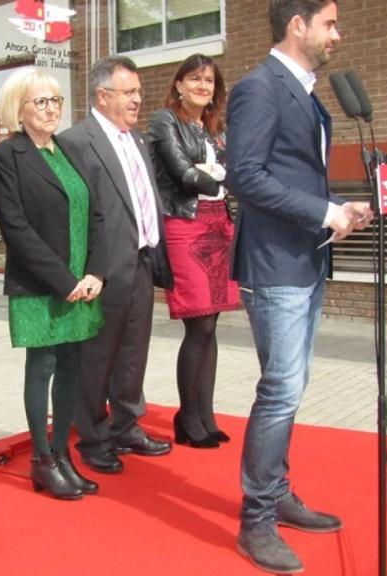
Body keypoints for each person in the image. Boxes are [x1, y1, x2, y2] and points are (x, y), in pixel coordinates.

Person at [226, 1, 373, 573]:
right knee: (281, 389)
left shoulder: (307, 93)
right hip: (274, 265)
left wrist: (337, 209)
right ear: (298, 25)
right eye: (330, 23)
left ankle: (278, 493)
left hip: (303, 258)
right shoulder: (259, 87)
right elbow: (246, 175)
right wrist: (323, 211)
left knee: (290, 386)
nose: (338, 34)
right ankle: (257, 520)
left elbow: (294, 175)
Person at [0, 68, 106, 500]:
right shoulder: (6, 157)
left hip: (83, 283)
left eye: (56, 100)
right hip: (42, 284)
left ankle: (63, 455)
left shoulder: (68, 149)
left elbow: (95, 214)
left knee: (73, 367)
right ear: (19, 109)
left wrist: (96, 273)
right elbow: (16, 230)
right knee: (44, 367)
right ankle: (42, 460)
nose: (52, 108)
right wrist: (63, 281)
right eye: (41, 101)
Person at [57, 56, 172, 475]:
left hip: (141, 260)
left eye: (139, 92)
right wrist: (88, 270)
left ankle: (126, 424)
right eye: (129, 92)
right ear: (102, 96)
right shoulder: (76, 141)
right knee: (96, 355)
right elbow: (75, 214)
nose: (138, 99)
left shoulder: (136, 139)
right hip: (102, 269)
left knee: (132, 351)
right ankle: (93, 436)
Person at [148, 54, 240, 450]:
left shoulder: (216, 130)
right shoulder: (165, 120)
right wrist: (220, 176)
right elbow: (181, 172)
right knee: (198, 323)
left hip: (220, 223)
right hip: (186, 224)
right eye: (195, 79)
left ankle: (205, 415)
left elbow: (236, 171)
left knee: (212, 323)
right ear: (179, 85)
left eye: (209, 80)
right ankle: (187, 417)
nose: (203, 86)